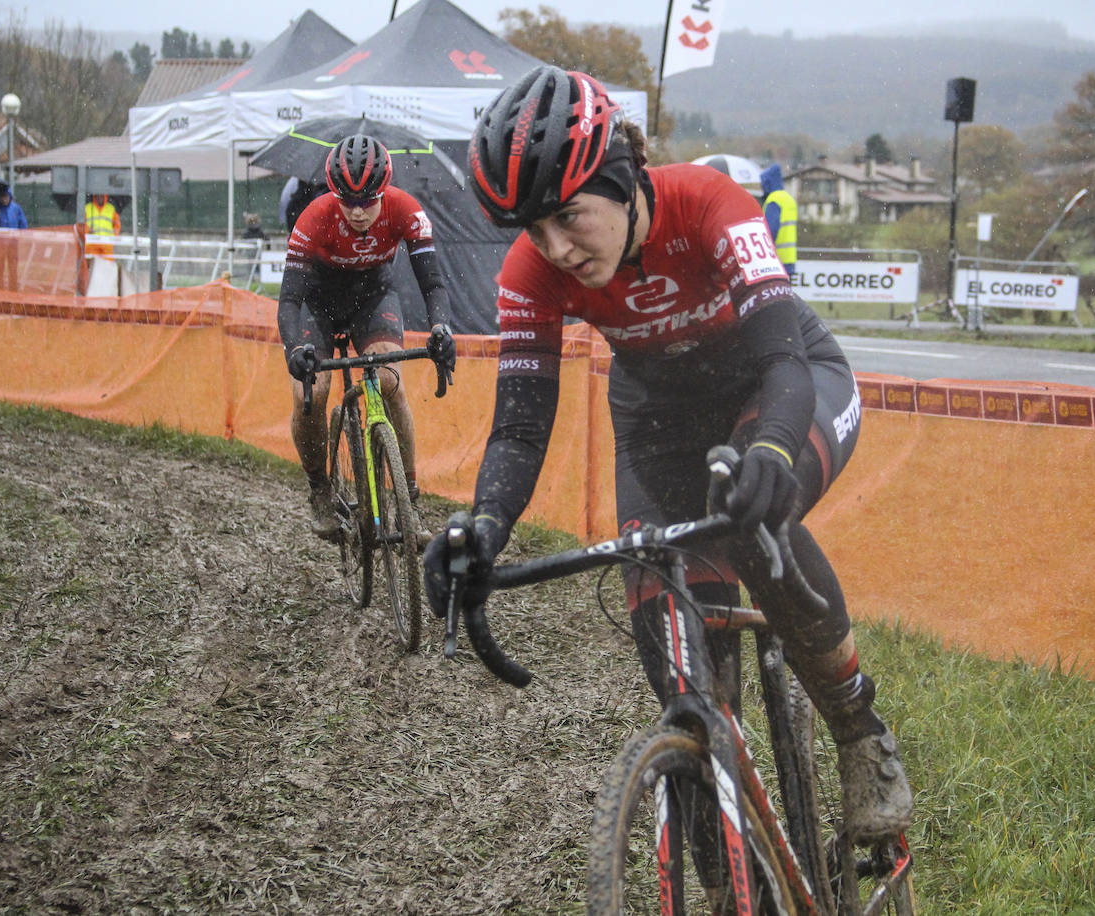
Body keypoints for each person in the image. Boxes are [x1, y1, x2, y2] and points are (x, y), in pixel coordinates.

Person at [423, 66, 912, 846]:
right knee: (667, 620)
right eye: (530, 228)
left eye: (569, 217)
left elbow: (783, 361)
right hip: (661, 415)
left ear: (621, 179)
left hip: (782, 382)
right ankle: (723, 857)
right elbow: (519, 428)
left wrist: (775, 450)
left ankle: (858, 726)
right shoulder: (533, 272)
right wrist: (484, 527)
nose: (554, 247)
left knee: (754, 526)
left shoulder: (708, 205)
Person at [278, 134, 457, 541]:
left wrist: (440, 328)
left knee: (392, 383)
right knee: (311, 393)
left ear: (386, 189)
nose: (359, 212)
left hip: (372, 299)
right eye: (349, 202)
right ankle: (320, 491)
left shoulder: (406, 209)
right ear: (332, 192)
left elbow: (433, 285)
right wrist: (294, 350)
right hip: (318, 305)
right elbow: (289, 300)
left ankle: (409, 505)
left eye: (369, 201)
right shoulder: (314, 216)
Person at [760, 162, 798, 278]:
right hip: (789, 258)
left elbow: (770, 230)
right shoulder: (788, 198)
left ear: (768, 182)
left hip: (776, 260)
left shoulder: (774, 199)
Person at [0, 188, 29, 291]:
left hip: (12, 243)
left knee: (13, 267)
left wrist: (21, 233)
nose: (4, 199)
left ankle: (13, 288)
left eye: (6, 197)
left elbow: (23, 223)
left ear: (10, 197)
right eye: (2, 197)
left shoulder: (16, 208)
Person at [83, 194, 120, 260]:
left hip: (107, 243)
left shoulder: (111, 208)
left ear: (105, 197)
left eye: (102, 196)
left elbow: (117, 224)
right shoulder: (87, 208)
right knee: (91, 266)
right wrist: (88, 229)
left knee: (108, 265)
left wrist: (114, 235)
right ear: (95, 197)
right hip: (91, 242)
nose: (100, 198)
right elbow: (81, 224)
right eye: (98, 196)